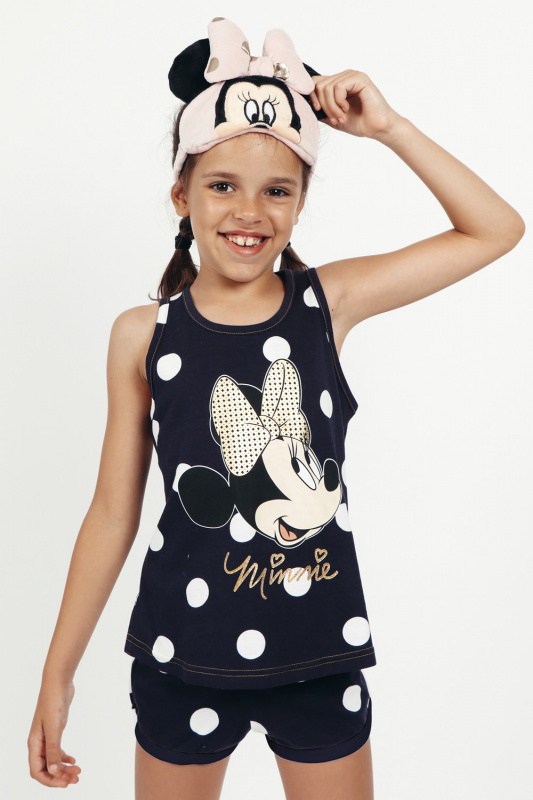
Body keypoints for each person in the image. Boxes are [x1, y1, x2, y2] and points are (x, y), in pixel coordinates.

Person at [27, 17, 524, 800]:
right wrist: (57, 674)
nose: (248, 212)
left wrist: (388, 128)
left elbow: (495, 229)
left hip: (317, 652)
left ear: (299, 203)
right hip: (182, 654)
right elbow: (112, 514)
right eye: (221, 185)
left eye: (277, 190)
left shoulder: (327, 304)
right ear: (181, 194)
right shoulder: (141, 335)